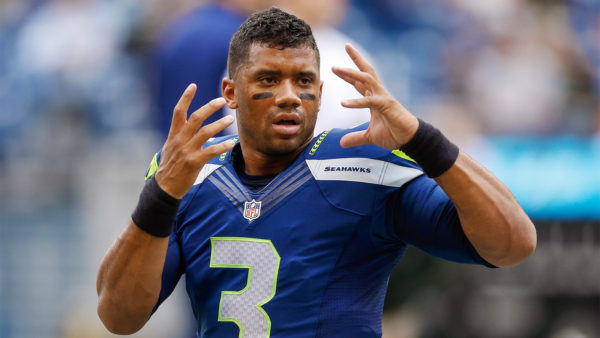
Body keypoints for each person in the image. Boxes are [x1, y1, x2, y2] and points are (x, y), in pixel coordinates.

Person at [97, 8, 536, 337]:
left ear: (321, 91)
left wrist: (423, 140)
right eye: (268, 79)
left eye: (303, 81)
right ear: (231, 91)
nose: (289, 95)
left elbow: (512, 244)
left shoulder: (366, 169)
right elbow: (119, 316)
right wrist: (159, 197)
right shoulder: (190, 174)